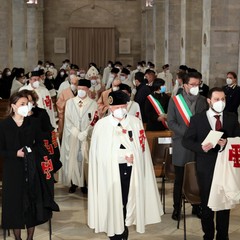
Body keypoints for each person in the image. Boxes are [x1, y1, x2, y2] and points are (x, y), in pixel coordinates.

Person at [88, 90, 163, 240]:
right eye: (116, 107)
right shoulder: (102, 126)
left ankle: (124, 227)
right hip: (110, 172)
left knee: (127, 200)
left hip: (131, 171)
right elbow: (98, 154)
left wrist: (134, 156)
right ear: (110, 108)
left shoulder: (135, 123)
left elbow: (142, 149)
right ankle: (115, 231)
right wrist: (120, 156)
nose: (120, 110)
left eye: (123, 106)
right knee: (112, 201)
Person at [182, 87, 240, 240]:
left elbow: (238, 139)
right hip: (206, 167)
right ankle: (208, 235)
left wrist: (228, 142)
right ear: (209, 101)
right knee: (207, 205)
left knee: (224, 204)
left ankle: (223, 236)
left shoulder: (232, 117)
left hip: (226, 167)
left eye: (223, 99)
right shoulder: (198, 119)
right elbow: (186, 141)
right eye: (216, 99)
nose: (220, 102)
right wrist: (200, 147)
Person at [0, 91, 59, 240]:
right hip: (12, 170)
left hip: (31, 168)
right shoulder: (4, 125)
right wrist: (15, 153)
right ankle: (18, 238)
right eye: (22, 104)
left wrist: (33, 150)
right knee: (15, 204)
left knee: (31, 202)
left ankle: (30, 238)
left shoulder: (33, 123)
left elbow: (41, 143)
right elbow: (1, 150)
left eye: (27, 104)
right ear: (13, 106)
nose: (26, 107)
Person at [167, 71, 208, 220]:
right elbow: (170, 122)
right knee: (180, 179)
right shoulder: (175, 101)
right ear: (184, 85)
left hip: (198, 145)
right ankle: (177, 208)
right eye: (192, 84)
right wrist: (189, 132)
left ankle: (197, 206)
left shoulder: (203, 101)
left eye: (198, 84)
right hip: (181, 144)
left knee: (197, 177)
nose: (196, 87)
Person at [59, 79, 98, 193]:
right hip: (73, 136)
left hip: (86, 137)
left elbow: (94, 120)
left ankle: (84, 183)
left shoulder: (93, 103)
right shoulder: (70, 102)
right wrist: (77, 132)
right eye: (79, 88)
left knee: (85, 159)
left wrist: (86, 132)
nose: (81, 91)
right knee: (74, 158)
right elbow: (68, 120)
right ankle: (73, 182)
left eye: (83, 89)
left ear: (88, 89)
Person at [56, 75, 79, 140]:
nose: (73, 85)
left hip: (76, 115)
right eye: (72, 83)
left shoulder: (79, 92)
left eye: (75, 84)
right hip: (66, 115)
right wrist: (68, 103)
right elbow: (59, 103)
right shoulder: (64, 92)